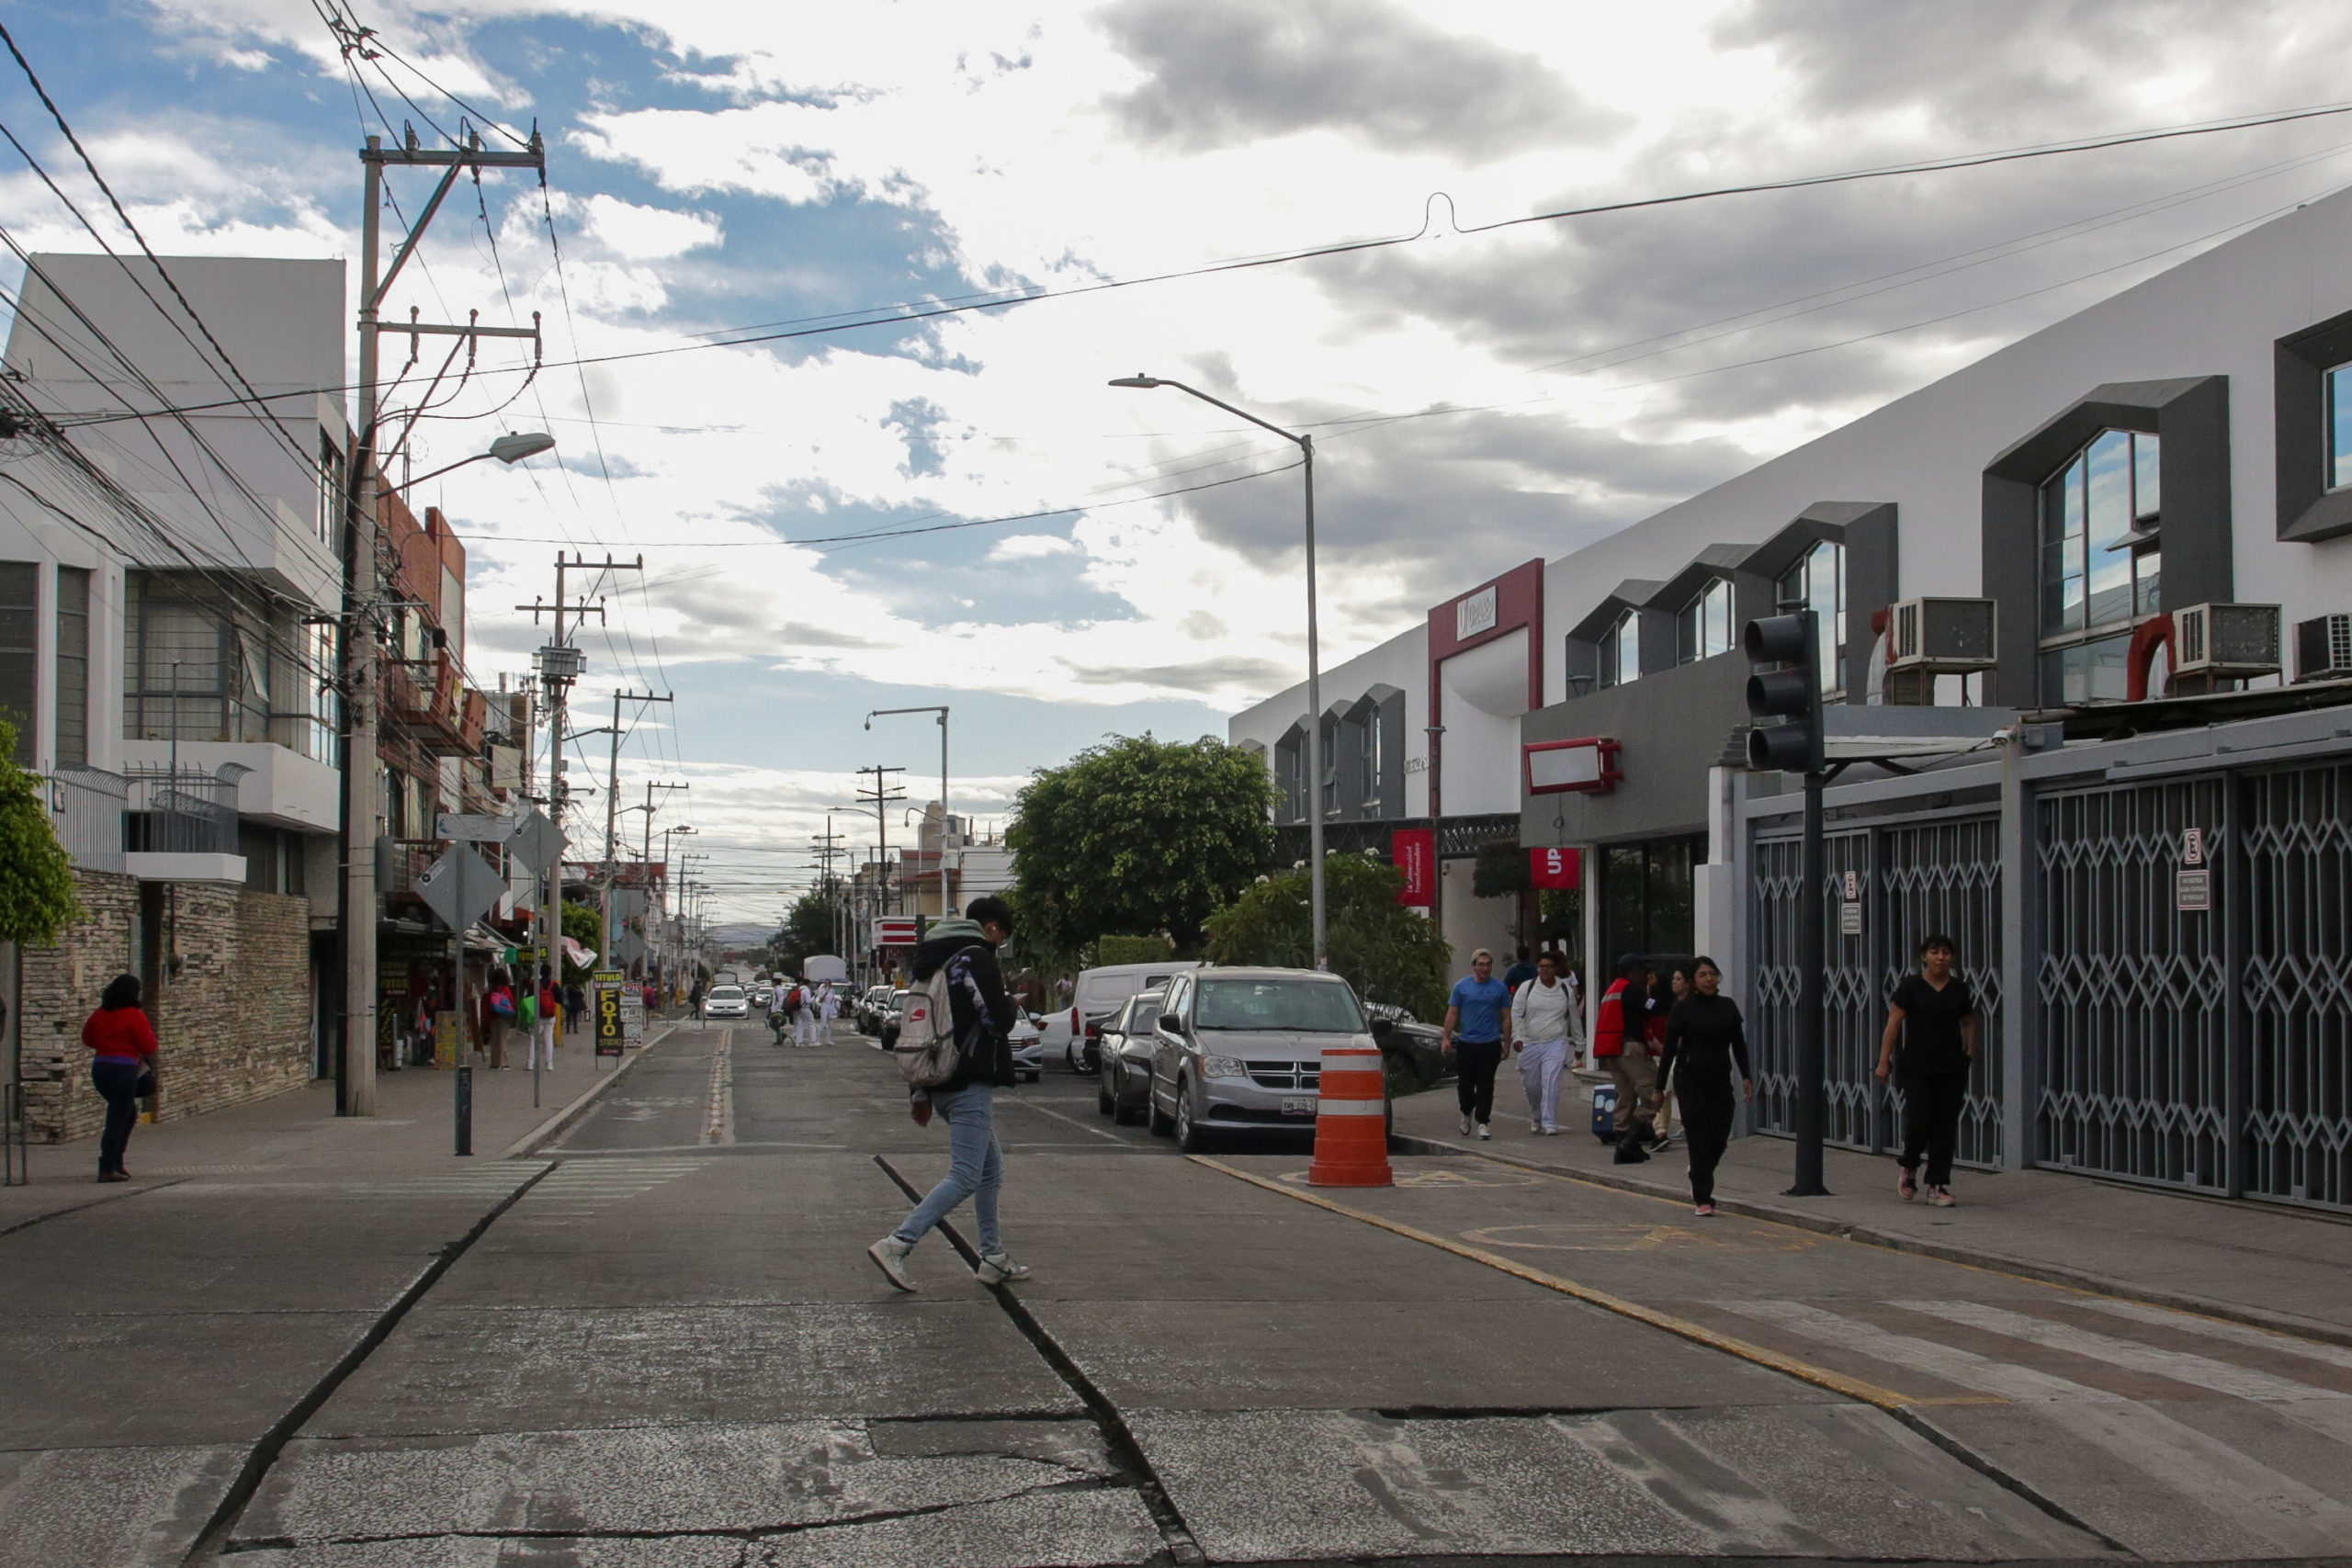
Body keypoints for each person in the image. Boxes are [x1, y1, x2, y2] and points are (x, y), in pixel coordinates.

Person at [870, 895, 1030, 1291]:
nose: (1001, 944)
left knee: (990, 1170)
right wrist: (1010, 1002)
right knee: (965, 1175)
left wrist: (919, 1092)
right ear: (992, 928)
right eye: (1002, 936)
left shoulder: (934, 961)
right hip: (967, 1082)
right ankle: (898, 1243)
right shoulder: (975, 958)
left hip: (938, 1081)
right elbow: (996, 1020)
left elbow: (921, 1030)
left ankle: (992, 1256)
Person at [1877, 933, 1980, 1207]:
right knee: (1919, 1120)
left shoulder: (1959, 988)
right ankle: (1909, 1166)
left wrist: (1969, 1051)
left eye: (1946, 953)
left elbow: (1968, 1021)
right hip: (1917, 1066)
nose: (1940, 958)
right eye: (1935, 952)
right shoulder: (1911, 987)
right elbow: (1894, 1023)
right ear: (1924, 956)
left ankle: (1938, 1184)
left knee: (1945, 1125)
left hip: (1950, 1066)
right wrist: (1883, 1061)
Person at [1654, 956, 1755, 1216]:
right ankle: (1703, 1197)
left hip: (1720, 1078)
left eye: (1712, 974)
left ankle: (1698, 1170)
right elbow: (1668, 1052)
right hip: (1690, 1079)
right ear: (1693, 982)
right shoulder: (1683, 1009)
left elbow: (1739, 1044)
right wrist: (1659, 1087)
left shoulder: (1727, 1007)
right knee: (1698, 1135)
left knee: (1720, 1134)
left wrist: (1746, 1076)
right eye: (1702, 975)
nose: (1709, 979)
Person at [83, 974, 157, 1182]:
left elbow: (87, 1038)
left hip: (101, 1067)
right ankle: (108, 1166)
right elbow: (148, 1046)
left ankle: (116, 1161)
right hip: (123, 1069)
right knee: (118, 1117)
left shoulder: (100, 1014)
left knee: (127, 1112)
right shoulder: (134, 1015)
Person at [1441, 948, 1512, 1140]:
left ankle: (1482, 1121)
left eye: (1488, 964)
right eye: (1480, 964)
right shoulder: (1462, 987)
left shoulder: (1499, 988)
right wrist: (1446, 1038)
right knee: (1465, 1085)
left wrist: (1507, 1043)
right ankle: (1466, 1112)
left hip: (1490, 1043)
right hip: (1467, 1043)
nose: (1485, 968)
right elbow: (1453, 1013)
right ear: (1474, 966)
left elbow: (1506, 1017)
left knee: (1486, 1084)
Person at [1510, 950, 1581, 1135]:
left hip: (1555, 1042)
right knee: (1532, 1086)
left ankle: (1550, 1121)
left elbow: (1574, 1019)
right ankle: (1536, 1115)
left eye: (1549, 967)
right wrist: (1516, 1037)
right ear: (1537, 968)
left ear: (1555, 969)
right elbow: (1516, 1014)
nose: (1545, 970)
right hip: (1530, 1042)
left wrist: (1579, 1046)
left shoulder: (1565, 990)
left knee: (1551, 1080)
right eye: (1541, 966)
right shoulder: (1527, 988)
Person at [1594, 954, 1657, 1163]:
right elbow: (1653, 1008)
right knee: (1652, 1093)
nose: (1646, 975)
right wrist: (1660, 992)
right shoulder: (1630, 990)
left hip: (1612, 1050)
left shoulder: (1612, 990)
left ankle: (1622, 1136)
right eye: (1643, 971)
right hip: (1630, 1047)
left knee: (1626, 1095)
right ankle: (1633, 1139)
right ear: (1633, 971)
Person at [531, 966, 560, 1070]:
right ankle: (549, 1063)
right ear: (550, 973)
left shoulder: (535, 984)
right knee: (548, 1038)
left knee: (533, 1038)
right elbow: (560, 999)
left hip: (537, 1014)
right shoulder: (554, 985)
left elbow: (529, 997)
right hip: (550, 1015)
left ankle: (531, 1062)